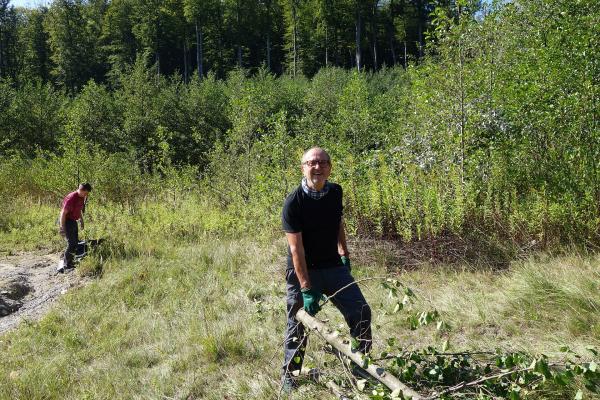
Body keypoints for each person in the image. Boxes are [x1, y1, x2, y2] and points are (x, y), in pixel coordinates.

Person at [281, 147, 372, 391]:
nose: (317, 167)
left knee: (361, 311)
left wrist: (344, 253)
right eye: (312, 163)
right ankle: (290, 375)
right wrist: (306, 288)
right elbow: (295, 249)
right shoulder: (293, 202)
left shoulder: (335, 192)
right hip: (303, 271)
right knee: (297, 323)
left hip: (333, 265)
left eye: (322, 163)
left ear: (330, 167)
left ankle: (360, 366)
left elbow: (338, 222)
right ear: (303, 167)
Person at [58, 183, 92, 273]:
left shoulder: (82, 197)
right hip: (66, 221)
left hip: (73, 221)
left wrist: (82, 220)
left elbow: (79, 209)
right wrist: (62, 227)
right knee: (71, 243)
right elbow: (63, 213)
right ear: (81, 190)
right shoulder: (71, 198)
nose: (86, 195)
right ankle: (66, 265)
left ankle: (71, 262)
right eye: (86, 193)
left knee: (76, 242)